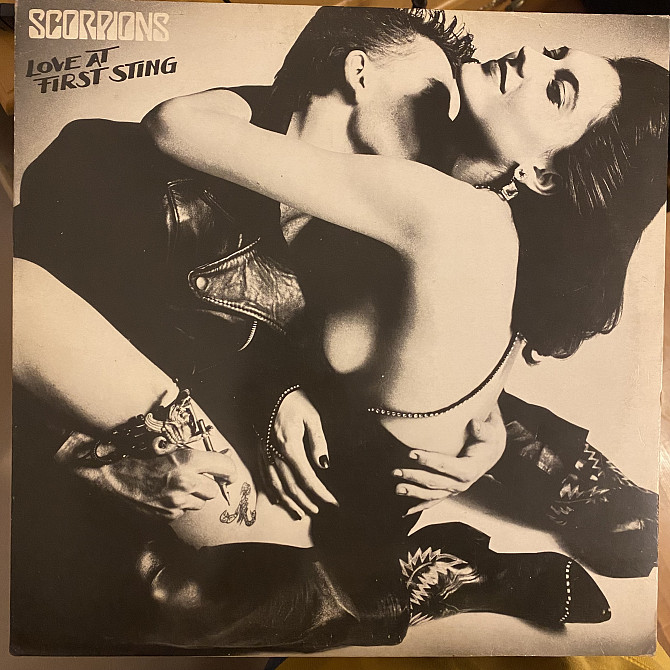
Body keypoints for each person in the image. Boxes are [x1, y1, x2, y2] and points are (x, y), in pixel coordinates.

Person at [11, 7, 666, 653]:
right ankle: (516, 498)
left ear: (543, 174)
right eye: (554, 54)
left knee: (130, 582)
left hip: (334, 504)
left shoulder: (453, 215)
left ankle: (399, 584)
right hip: (343, 464)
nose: (530, 56)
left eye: (557, 88)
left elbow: (178, 126)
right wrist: (483, 422)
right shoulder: (448, 203)